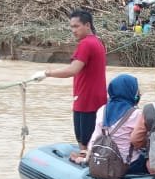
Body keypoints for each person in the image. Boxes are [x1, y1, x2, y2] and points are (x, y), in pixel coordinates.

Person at [31, 9, 107, 157]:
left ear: (87, 25)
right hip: (96, 98)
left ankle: (86, 160)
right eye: (71, 27)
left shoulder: (86, 44)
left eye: (76, 26)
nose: (73, 30)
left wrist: (47, 74)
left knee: (83, 139)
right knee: (90, 137)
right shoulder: (97, 42)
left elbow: (73, 70)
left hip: (86, 100)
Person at [73, 74, 147, 174]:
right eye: (136, 90)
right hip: (128, 165)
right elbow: (140, 139)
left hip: (103, 160)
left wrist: (87, 159)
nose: (138, 93)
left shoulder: (102, 110)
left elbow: (94, 139)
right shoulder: (136, 114)